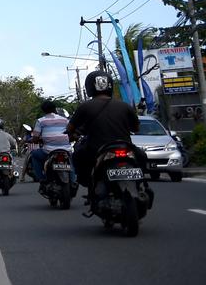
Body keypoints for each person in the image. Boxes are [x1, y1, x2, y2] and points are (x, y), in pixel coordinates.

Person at [67, 70, 139, 210]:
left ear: (89, 87)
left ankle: (90, 185)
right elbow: (136, 128)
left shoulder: (85, 106)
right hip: (125, 147)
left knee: (77, 156)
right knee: (141, 157)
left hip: (96, 149)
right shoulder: (124, 106)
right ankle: (142, 184)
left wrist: (73, 135)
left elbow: (70, 128)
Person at [28, 100, 72, 183]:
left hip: (49, 150)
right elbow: (71, 132)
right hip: (66, 149)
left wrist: (34, 140)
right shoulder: (65, 120)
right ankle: (73, 181)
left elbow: (35, 138)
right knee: (70, 162)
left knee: (34, 154)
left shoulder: (40, 121)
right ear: (55, 109)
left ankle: (41, 178)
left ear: (43, 110)